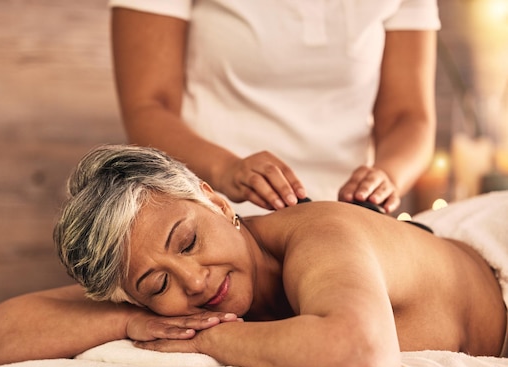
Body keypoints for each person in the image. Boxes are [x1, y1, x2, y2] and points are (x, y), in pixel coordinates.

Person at [0, 144, 508, 367]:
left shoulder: (318, 236)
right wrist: (126, 323)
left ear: (217, 201)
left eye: (189, 242)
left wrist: (218, 335)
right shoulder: (152, 283)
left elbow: (360, 366)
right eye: (157, 285)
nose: (194, 282)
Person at [109, 0, 440, 215]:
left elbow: (408, 117)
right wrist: (227, 170)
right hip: (213, 216)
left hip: (344, 223)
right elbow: (149, 107)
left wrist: (387, 177)